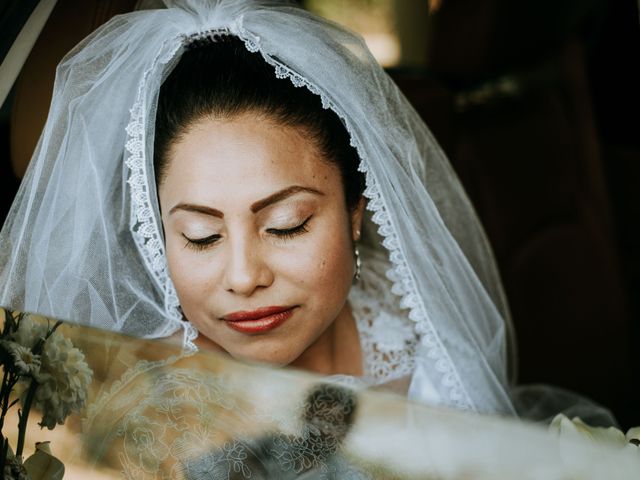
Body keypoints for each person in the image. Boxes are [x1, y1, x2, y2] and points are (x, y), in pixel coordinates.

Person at [0, 0, 581, 420]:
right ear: (156, 239)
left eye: (287, 225)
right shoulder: (132, 400)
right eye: (201, 236)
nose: (245, 277)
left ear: (356, 209)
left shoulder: (419, 324)